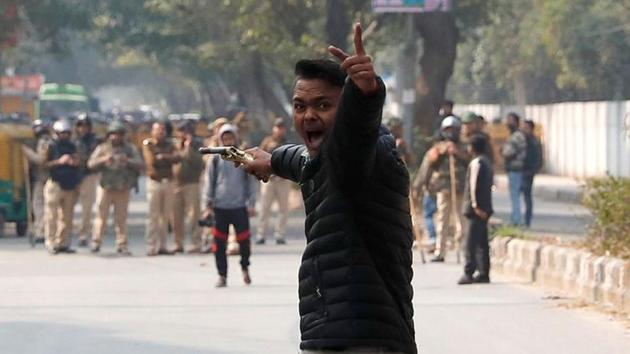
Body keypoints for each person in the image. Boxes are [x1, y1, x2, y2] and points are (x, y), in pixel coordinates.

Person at [239, 23, 416, 354]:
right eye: (300, 106)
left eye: (323, 106)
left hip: (364, 337)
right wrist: (271, 160)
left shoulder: (366, 155)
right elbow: (304, 160)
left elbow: (352, 140)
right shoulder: (318, 160)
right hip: (331, 331)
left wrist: (365, 96)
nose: (308, 116)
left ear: (344, 108)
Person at [202, 124, 257, 288]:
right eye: (224, 138)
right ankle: (222, 275)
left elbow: (251, 182)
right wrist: (207, 204)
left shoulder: (242, 156)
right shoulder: (215, 159)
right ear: (220, 139)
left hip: (239, 206)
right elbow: (209, 182)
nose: (227, 141)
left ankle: (245, 267)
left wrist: (252, 203)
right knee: (219, 244)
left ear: (235, 138)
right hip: (220, 207)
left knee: (244, 242)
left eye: (230, 138)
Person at [88, 121, 143, 255]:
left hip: (122, 187)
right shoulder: (102, 148)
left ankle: (122, 244)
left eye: (118, 134)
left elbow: (140, 164)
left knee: (121, 218)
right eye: (113, 134)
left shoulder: (130, 149)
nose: (115, 137)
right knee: (101, 217)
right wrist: (104, 159)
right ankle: (96, 242)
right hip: (105, 187)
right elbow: (90, 164)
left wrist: (127, 160)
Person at [425, 116, 470, 263]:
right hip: (443, 188)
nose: (451, 133)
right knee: (442, 220)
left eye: (453, 130)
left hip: (460, 187)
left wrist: (457, 152)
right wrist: (440, 152)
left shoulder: (464, 146)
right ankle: (440, 250)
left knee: (461, 220)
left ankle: (462, 248)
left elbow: (470, 162)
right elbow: (430, 164)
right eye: (448, 130)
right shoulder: (438, 146)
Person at [41, 120, 82, 254]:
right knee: (51, 215)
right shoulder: (50, 146)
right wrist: (59, 161)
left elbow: (80, 163)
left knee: (67, 217)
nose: (64, 136)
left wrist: (74, 162)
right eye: (62, 133)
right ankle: (50, 241)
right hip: (55, 183)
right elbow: (44, 164)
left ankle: (63, 242)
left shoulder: (73, 146)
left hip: (69, 184)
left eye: (67, 133)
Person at [458, 134, 494, 285]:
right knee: (482, 243)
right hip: (485, 209)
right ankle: (484, 272)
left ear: (472, 147)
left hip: (476, 210)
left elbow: (473, 187)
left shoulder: (476, 163)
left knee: (471, 243)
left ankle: (469, 273)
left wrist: (475, 206)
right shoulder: (487, 162)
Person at [142, 121, 181, 256]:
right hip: (155, 182)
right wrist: (167, 158)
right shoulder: (148, 144)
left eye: (162, 131)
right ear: (152, 132)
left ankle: (163, 245)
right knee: (154, 215)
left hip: (168, 182)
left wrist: (164, 156)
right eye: (158, 130)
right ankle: (151, 245)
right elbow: (152, 161)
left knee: (165, 216)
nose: (160, 133)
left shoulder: (170, 144)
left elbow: (178, 157)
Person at [255, 117, 291, 245]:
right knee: (264, 208)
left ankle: (280, 235)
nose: (279, 130)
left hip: (283, 179)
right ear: (273, 128)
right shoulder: (267, 142)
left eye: (281, 127)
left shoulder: (288, 143)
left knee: (283, 209)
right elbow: (258, 157)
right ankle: (261, 235)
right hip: (269, 179)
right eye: (277, 127)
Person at [172, 121, 206, 253]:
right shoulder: (174, 145)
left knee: (194, 215)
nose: (183, 134)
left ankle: (196, 242)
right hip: (176, 183)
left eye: (186, 132)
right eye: (181, 131)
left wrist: (189, 147)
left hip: (192, 183)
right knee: (176, 215)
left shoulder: (198, 145)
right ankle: (178, 242)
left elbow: (198, 163)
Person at [74, 114, 102, 247]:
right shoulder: (73, 140)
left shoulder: (94, 141)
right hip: (72, 176)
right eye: (80, 125)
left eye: (85, 126)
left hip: (88, 175)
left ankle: (83, 234)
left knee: (87, 207)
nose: (83, 128)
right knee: (66, 207)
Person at [501, 112, 527, 226]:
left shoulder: (517, 136)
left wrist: (502, 151)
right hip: (515, 168)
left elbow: (508, 152)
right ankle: (516, 218)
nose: (507, 122)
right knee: (514, 194)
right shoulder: (514, 135)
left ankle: (516, 220)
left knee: (515, 195)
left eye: (510, 120)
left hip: (516, 168)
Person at [521, 120, 543, 228]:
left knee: (527, 197)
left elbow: (538, 159)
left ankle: (527, 221)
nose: (523, 130)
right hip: (522, 171)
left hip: (528, 173)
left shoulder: (533, 142)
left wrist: (532, 171)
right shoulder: (523, 140)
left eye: (525, 128)